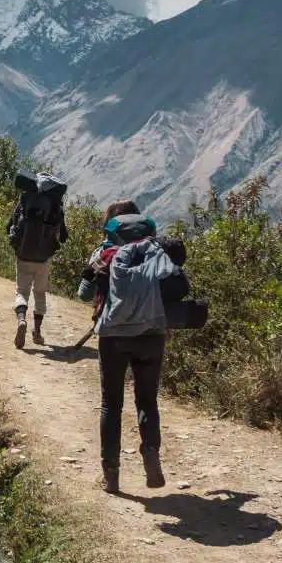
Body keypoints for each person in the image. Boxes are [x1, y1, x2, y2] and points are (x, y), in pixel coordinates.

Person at [79, 201, 179, 495]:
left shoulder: (104, 253)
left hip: (114, 337)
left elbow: (83, 293)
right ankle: (151, 459)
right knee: (147, 401)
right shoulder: (156, 251)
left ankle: (111, 476)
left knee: (112, 404)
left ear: (112, 225)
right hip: (153, 334)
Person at [6, 172, 68, 349]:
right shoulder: (55, 205)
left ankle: (21, 319)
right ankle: (37, 331)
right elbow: (63, 236)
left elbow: (8, 225)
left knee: (22, 291)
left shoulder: (25, 199)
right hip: (43, 258)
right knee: (40, 293)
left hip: (24, 254)